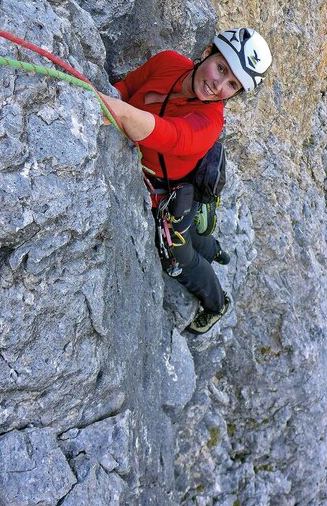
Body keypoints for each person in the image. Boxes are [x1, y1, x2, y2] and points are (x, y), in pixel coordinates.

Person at [102, 28, 272, 334]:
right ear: (207, 52)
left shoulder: (208, 123)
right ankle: (215, 249)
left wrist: (117, 113)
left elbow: (167, 134)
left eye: (232, 84)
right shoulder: (167, 62)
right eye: (221, 68)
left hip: (172, 194)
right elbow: (126, 88)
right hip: (174, 185)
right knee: (192, 233)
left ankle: (217, 304)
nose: (219, 85)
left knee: (179, 258)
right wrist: (115, 102)